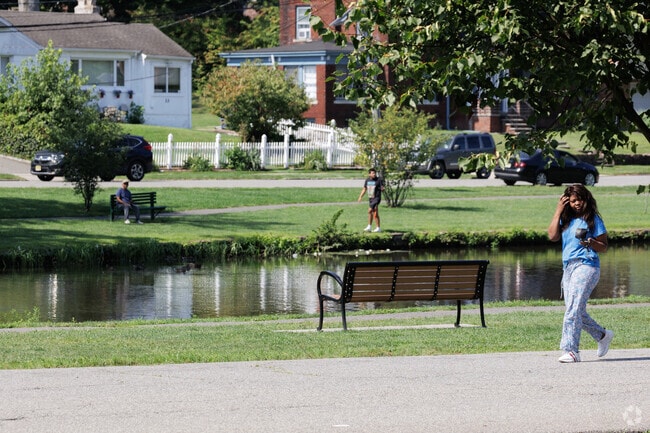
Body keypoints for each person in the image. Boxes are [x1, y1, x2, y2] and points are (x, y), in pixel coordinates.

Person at [547, 184, 613, 363]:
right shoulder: (565, 219)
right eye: (573, 201)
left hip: (587, 265)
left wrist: (592, 243)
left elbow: (604, 246)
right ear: (567, 202)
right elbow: (552, 236)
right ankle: (602, 335)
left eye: (580, 200)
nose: (577, 204)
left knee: (573, 309)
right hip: (568, 267)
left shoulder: (593, 219)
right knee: (575, 310)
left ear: (587, 199)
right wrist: (558, 210)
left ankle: (571, 351)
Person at [357, 168, 384, 232]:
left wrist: (383, 189)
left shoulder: (378, 180)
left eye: (375, 173)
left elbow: (382, 187)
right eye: (372, 173)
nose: (374, 174)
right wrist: (360, 196)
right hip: (371, 198)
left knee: (370, 210)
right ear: (369, 174)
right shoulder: (367, 180)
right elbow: (364, 189)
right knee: (374, 213)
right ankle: (372, 227)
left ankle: (375, 227)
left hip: (377, 198)